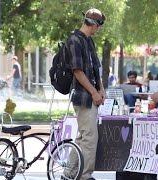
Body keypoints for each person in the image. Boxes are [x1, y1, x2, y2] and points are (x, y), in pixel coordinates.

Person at [64, 8, 105, 180]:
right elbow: (78, 71)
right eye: (99, 26)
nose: (99, 30)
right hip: (82, 96)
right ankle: (84, 176)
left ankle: (70, 173)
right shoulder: (74, 40)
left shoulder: (89, 41)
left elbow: (95, 68)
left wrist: (101, 88)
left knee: (82, 136)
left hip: (92, 94)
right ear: (94, 25)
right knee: (89, 138)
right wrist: (94, 92)